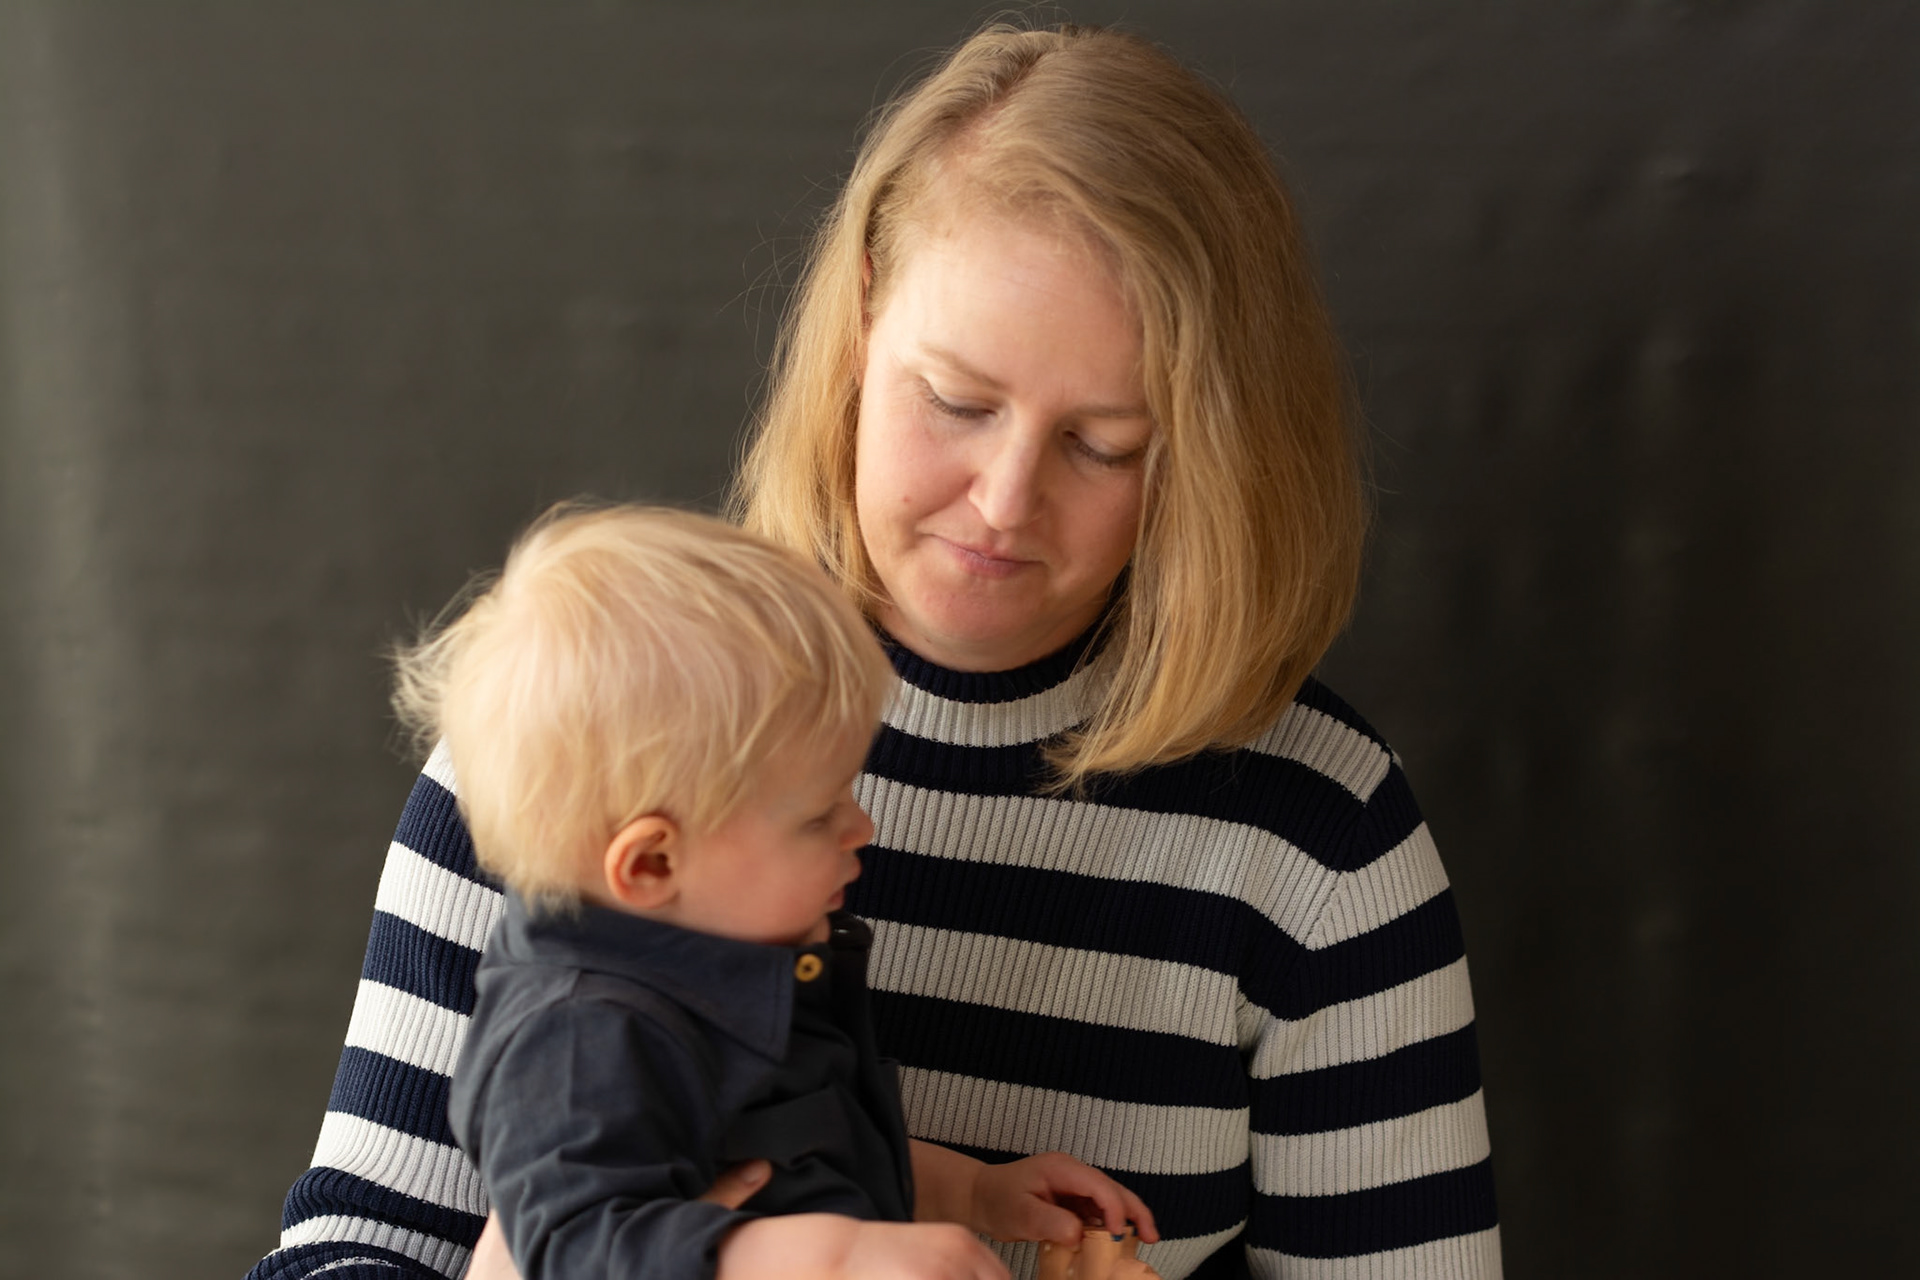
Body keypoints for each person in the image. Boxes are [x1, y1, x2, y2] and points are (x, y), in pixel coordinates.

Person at [251, 22, 1501, 1280]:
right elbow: (353, 1245)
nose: (1003, 501)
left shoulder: (1318, 833)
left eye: (1104, 443)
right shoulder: (583, 728)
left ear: (1211, 449)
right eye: (956, 400)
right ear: (858, 319)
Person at [388, 504, 1156, 1280]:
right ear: (651, 864)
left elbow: (812, 1151)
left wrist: (977, 1193)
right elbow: (574, 1250)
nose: (863, 826)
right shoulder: (579, 1035)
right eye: (820, 815)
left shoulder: (736, 966)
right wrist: (837, 1258)